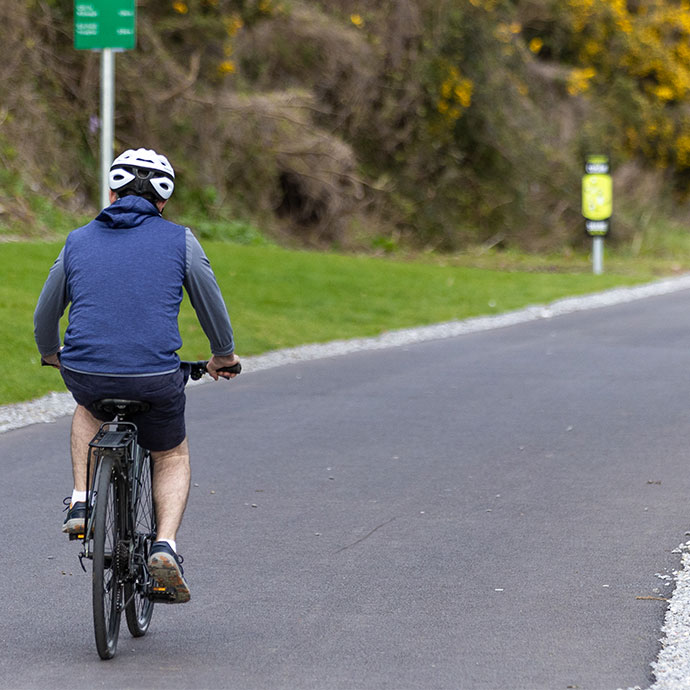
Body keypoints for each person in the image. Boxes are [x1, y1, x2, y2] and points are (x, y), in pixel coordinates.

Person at [33, 147, 240, 604]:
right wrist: (222, 355)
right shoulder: (180, 240)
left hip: (87, 372)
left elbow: (46, 309)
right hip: (154, 377)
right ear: (163, 201)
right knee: (170, 454)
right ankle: (164, 544)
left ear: (110, 191)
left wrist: (51, 353)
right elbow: (212, 306)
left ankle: (83, 498)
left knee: (87, 408)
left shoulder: (77, 240)